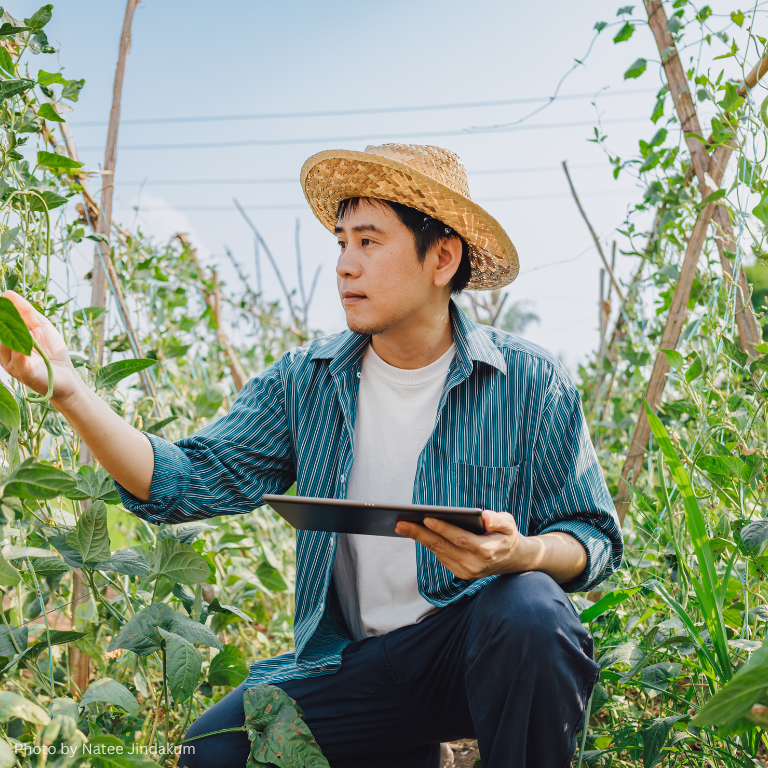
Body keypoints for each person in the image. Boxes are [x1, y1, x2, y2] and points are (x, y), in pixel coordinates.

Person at [0, 143, 622, 768]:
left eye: (369, 242)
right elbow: (183, 479)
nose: (345, 266)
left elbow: (591, 537)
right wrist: (69, 388)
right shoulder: (309, 380)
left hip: (477, 652)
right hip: (359, 665)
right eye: (341, 243)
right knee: (209, 752)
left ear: (442, 257)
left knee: (531, 610)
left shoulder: (530, 381)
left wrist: (523, 553)